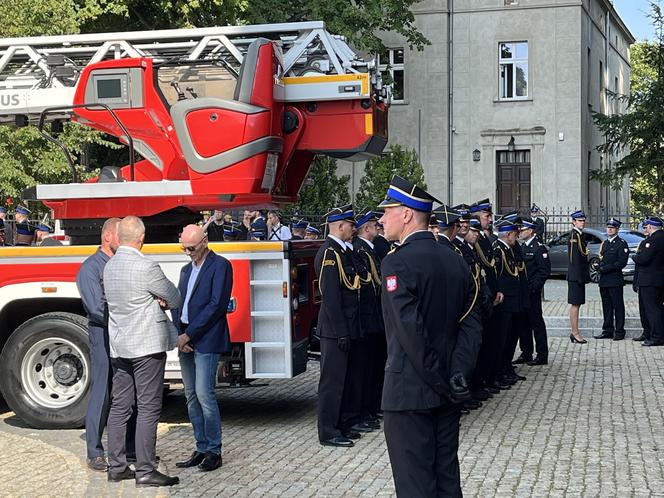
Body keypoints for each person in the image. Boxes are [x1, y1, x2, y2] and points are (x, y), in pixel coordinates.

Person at [378, 175, 482, 498]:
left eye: (388, 210)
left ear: (407, 214)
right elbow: (472, 325)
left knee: (415, 488)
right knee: (447, 483)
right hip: (448, 391)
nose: (381, 219)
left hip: (410, 393)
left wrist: (439, 379)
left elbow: (412, 334)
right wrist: (457, 375)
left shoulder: (396, 262)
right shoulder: (455, 260)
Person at [103, 216, 182, 487]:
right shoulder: (146, 266)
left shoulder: (109, 267)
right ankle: (146, 470)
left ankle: (116, 466)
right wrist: (157, 299)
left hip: (120, 345)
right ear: (141, 238)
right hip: (147, 346)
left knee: (120, 406)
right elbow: (174, 297)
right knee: (148, 407)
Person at [76, 218, 136, 472]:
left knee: (127, 392)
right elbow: (96, 307)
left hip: (124, 334)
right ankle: (95, 452)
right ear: (108, 236)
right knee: (102, 392)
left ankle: (129, 450)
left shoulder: (120, 264)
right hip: (103, 334)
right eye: (121, 235)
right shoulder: (90, 268)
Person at [172, 225, 233, 472]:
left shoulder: (220, 266)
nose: (188, 252)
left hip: (205, 337)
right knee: (190, 395)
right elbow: (179, 301)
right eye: (184, 247)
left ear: (205, 242)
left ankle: (214, 451)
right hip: (186, 336)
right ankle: (201, 446)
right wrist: (180, 334)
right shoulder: (186, 269)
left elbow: (216, 306)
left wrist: (188, 335)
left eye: (192, 247)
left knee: (204, 394)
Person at [314, 204, 361, 447]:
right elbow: (331, 297)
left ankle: (341, 424)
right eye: (351, 225)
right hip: (334, 330)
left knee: (345, 379)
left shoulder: (342, 251)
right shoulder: (329, 253)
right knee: (332, 383)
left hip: (346, 327)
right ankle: (328, 431)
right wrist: (342, 331)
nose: (353, 229)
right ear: (340, 226)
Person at [353, 210, 385, 427]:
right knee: (365, 370)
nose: (378, 228)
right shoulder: (360, 250)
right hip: (368, 319)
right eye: (374, 225)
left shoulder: (369, 250)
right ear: (366, 228)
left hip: (375, 317)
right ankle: (364, 411)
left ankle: (372, 408)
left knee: (374, 367)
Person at [493, 220, 530, 386]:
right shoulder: (498, 250)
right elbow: (498, 277)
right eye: (515, 234)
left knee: (512, 337)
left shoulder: (510, 249)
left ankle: (507, 368)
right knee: (503, 338)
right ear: (508, 235)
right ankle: (500, 370)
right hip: (506, 302)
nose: (517, 237)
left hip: (515, 301)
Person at [516, 218, 551, 365]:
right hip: (522, 292)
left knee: (536, 323)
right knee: (523, 323)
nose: (520, 232)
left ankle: (542, 354)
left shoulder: (539, 248)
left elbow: (544, 272)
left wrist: (533, 288)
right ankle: (526, 352)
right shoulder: (522, 247)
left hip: (532, 292)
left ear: (530, 231)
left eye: (522, 230)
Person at [594, 218, 629, 341]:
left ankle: (619, 331)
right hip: (604, 280)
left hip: (615, 280)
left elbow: (621, 263)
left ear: (617, 229)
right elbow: (601, 258)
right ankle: (607, 330)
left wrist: (605, 268)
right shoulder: (605, 243)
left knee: (618, 307)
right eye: (608, 227)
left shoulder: (621, 243)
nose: (609, 229)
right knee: (607, 307)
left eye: (612, 228)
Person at [632, 216, 664, 346]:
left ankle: (655, 336)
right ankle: (650, 333)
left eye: (646, 226)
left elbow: (644, 259)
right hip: (657, 280)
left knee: (651, 309)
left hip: (650, 280)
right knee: (654, 308)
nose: (646, 229)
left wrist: (635, 256)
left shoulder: (653, 240)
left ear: (650, 227)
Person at [567, 210, 590, 344]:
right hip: (576, 276)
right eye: (580, 220)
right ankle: (575, 333)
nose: (582, 222)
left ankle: (575, 332)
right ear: (574, 222)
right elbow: (574, 258)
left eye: (583, 220)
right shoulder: (574, 235)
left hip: (578, 275)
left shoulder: (580, 235)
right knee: (575, 304)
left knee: (578, 304)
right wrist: (579, 276)